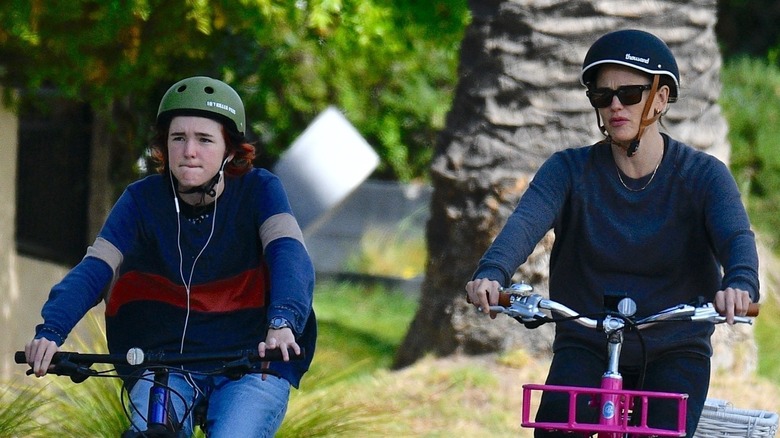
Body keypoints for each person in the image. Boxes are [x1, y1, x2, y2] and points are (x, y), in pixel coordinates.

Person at [465, 29, 759, 437]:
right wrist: (493, 272)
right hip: (587, 344)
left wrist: (740, 284)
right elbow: (525, 222)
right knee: (554, 430)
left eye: (630, 93)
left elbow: (736, 238)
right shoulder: (568, 170)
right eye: (603, 96)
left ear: (659, 98)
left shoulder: (704, 176)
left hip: (675, 347)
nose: (615, 105)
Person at [24, 76, 316, 437]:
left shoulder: (261, 190)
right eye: (178, 138)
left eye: (205, 139)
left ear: (230, 150)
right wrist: (52, 331)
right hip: (166, 364)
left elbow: (289, 255)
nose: (189, 150)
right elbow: (96, 268)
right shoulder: (141, 200)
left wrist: (283, 322)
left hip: (253, 361)